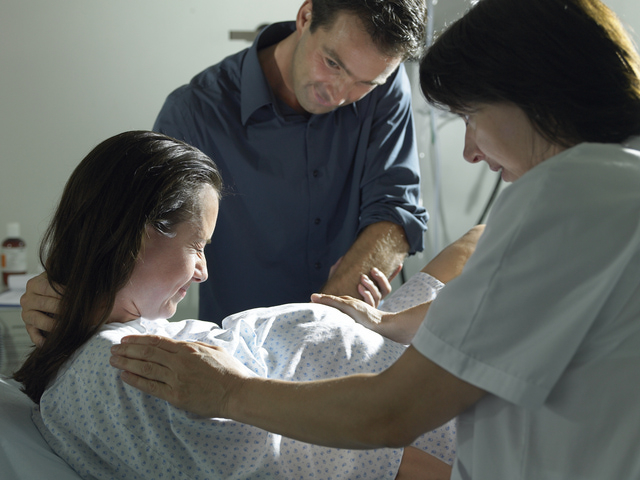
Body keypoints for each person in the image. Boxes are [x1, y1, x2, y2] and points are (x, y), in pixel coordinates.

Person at [108, 0, 640, 478]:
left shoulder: (561, 197)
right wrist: (74, 286)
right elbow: (506, 297)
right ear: (306, 15)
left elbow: (393, 411)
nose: (470, 153)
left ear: (535, 96)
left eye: (473, 116)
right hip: (279, 343)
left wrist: (230, 389)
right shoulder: (197, 109)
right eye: (333, 63)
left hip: (354, 363)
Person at [13, 130, 473, 479]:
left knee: (488, 237)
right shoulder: (124, 371)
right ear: (135, 233)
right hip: (429, 381)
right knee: (507, 241)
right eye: (198, 245)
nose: (203, 272)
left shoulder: (104, 338)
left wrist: (385, 321)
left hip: (393, 334)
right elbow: (376, 461)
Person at [153, 0, 429, 323]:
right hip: (233, 351)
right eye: (332, 63)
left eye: (364, 83)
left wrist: (318, 328)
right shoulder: (192, 115)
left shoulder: (387, 88)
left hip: (345, 341)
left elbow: (396, 213)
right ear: (306, 16)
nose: (339, 93)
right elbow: (152, 251)